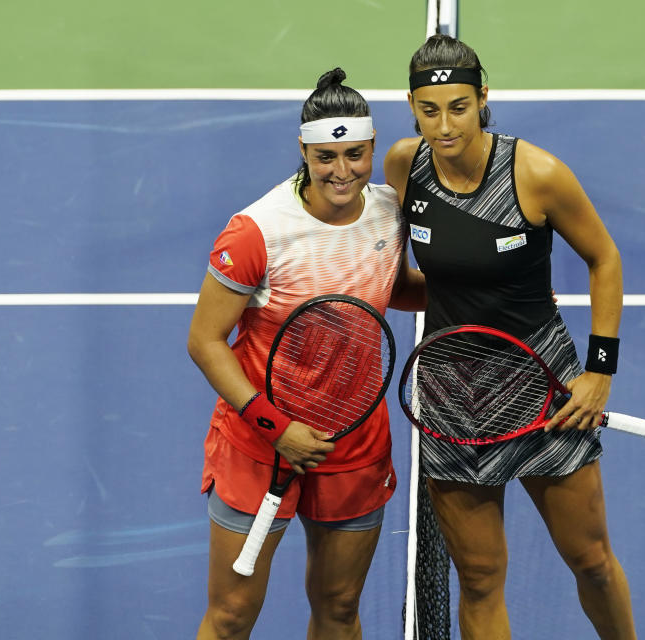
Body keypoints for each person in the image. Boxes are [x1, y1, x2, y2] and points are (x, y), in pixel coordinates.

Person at [384, 35, 636, 639]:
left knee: (592, 561)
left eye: (460, 107)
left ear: (484, 98)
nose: (445, 125)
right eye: (429, 109)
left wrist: (599, 372)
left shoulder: (537, 174)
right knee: (479, 577)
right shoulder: (403, 166)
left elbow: (604, 259)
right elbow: (408, 282)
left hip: (541, 384)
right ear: (412, 106)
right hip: (453, 391)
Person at [188, 68, 425, 640]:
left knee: (339, 608)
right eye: (325, 157)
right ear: (304, 150)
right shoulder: (257, 233)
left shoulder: (389, 212)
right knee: (231, 615)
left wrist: (488, 295)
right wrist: (276, 426)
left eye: (355, 155)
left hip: (354, 442)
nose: (341, 172)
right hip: (259, 444)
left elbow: (388, 289)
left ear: (371, 148)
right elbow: (204, 340)